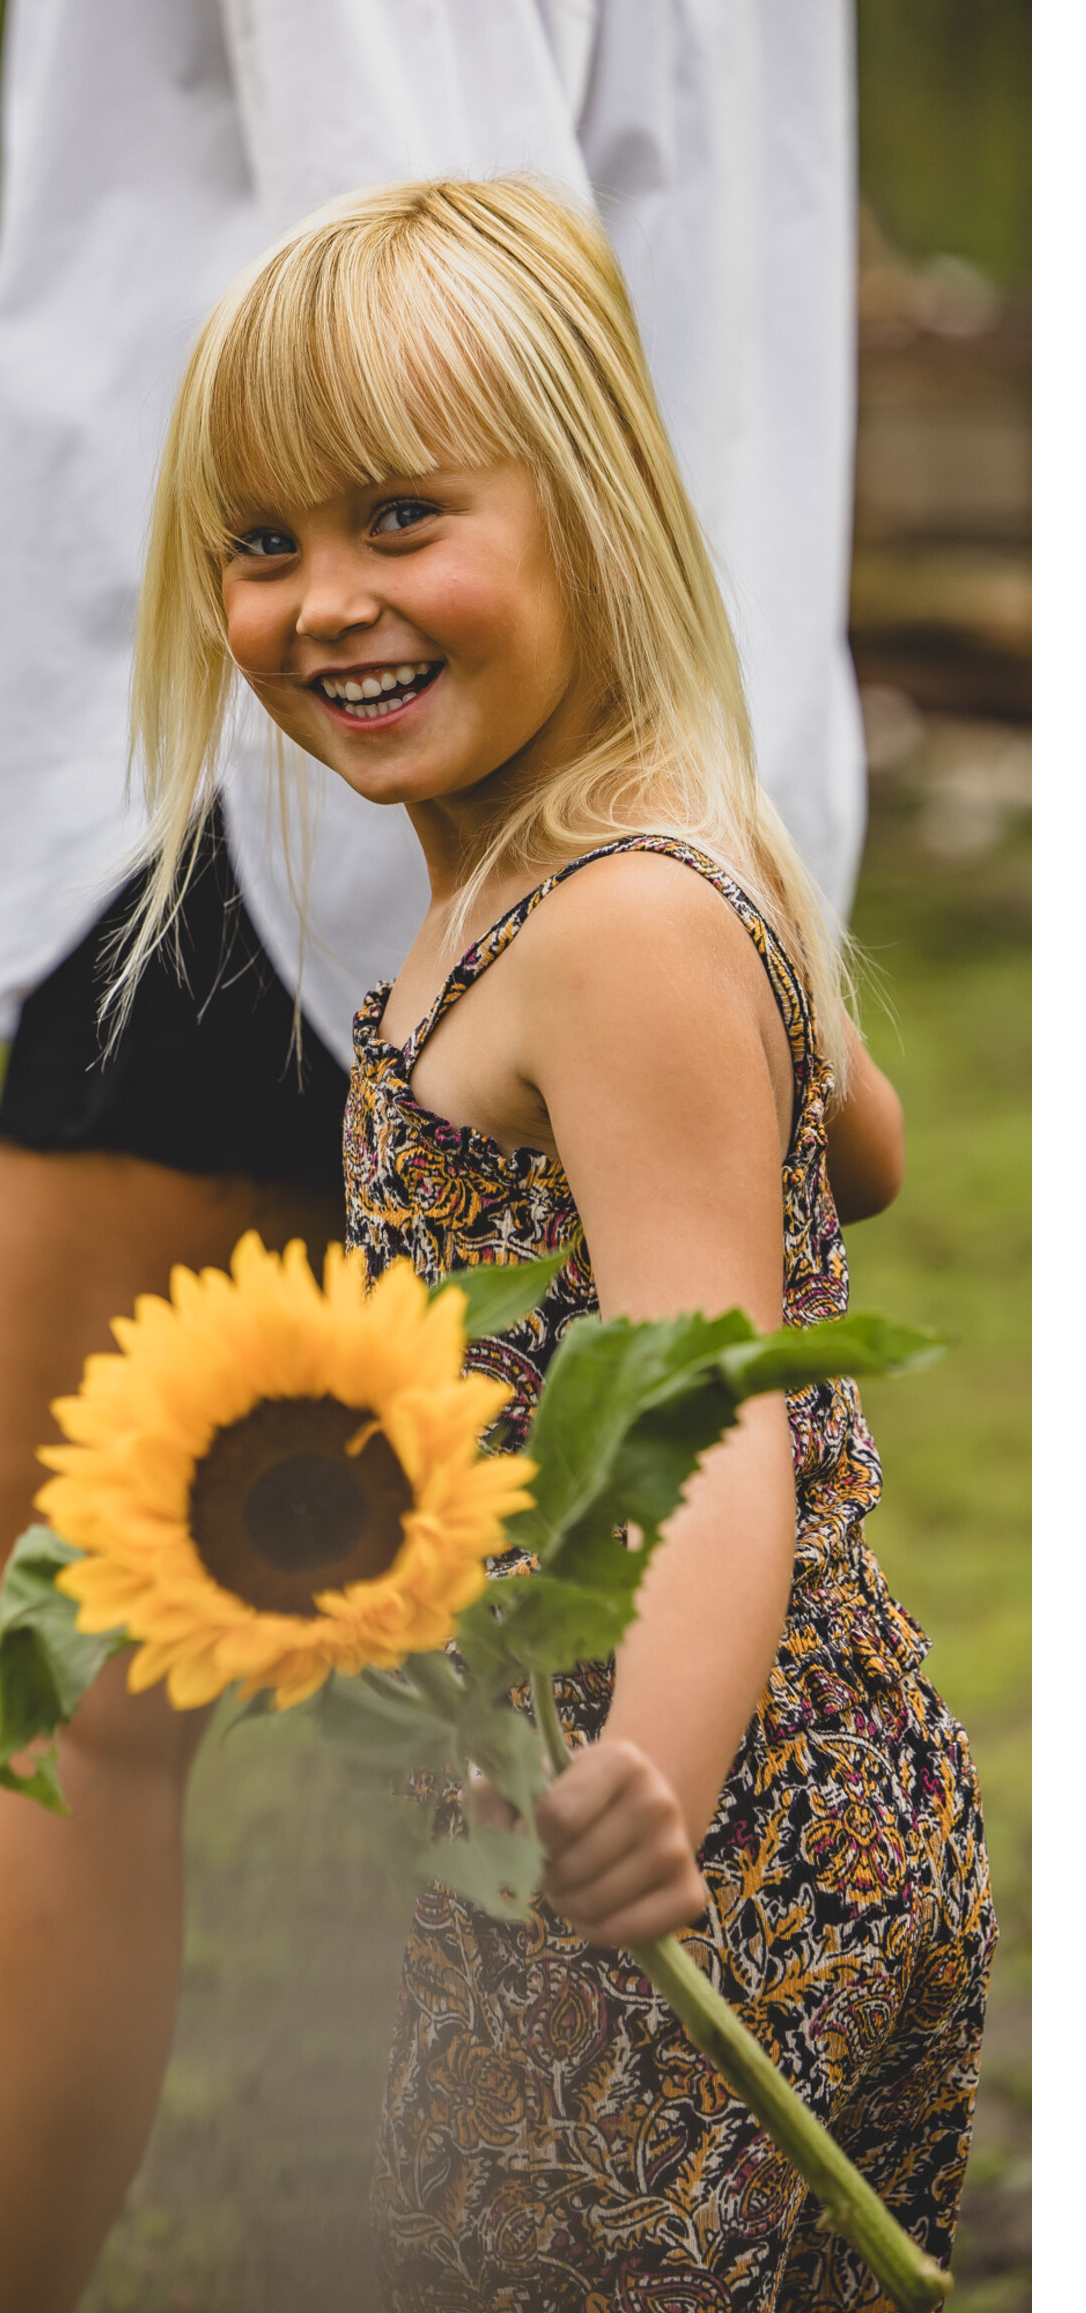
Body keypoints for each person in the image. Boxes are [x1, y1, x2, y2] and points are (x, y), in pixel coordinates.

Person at [0, 8, 868, 2306]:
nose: (326, 558)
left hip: (340, 805)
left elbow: (412, 227)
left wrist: (389, 595)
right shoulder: (669, 871)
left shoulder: (396, 665)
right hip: (660, 721)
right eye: (277, 536)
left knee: (60, 1695)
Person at [119, 175, 994, 2307]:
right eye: (262, 544)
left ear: (589, 511)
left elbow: (715, 1408)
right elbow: (848, 1147)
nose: (325, 601)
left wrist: (647, 1783)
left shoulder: (607, 921)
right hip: (755, 1780)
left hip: (705, 1831)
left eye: (400, 518)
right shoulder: (646, 856)